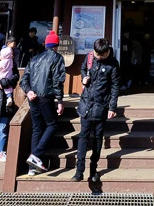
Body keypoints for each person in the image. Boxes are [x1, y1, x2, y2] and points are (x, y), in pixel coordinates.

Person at [73, 38, 120, 190]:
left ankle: (93, 170)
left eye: (101, 55)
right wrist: (84, 77)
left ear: (107, 52)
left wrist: (112, 107)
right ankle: (79, 170)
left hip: (101, 105)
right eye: (96, 54)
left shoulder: (113, 64)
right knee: (83, 136)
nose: (97, 57)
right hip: (86, 103)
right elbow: (82, 69)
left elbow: (115, 87)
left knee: (98, 138)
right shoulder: (89, 57)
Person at [20, 30, 66, 174]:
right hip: (46, 96)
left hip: (32, 97)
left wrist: (28, 91)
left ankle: (32, 168)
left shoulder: (34, 58)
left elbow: (24, 79)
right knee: (52, 125)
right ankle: (36, 155)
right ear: (56, 45)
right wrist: (60, 100)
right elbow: (58, 81)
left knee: (37, 128)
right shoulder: (57, 58)